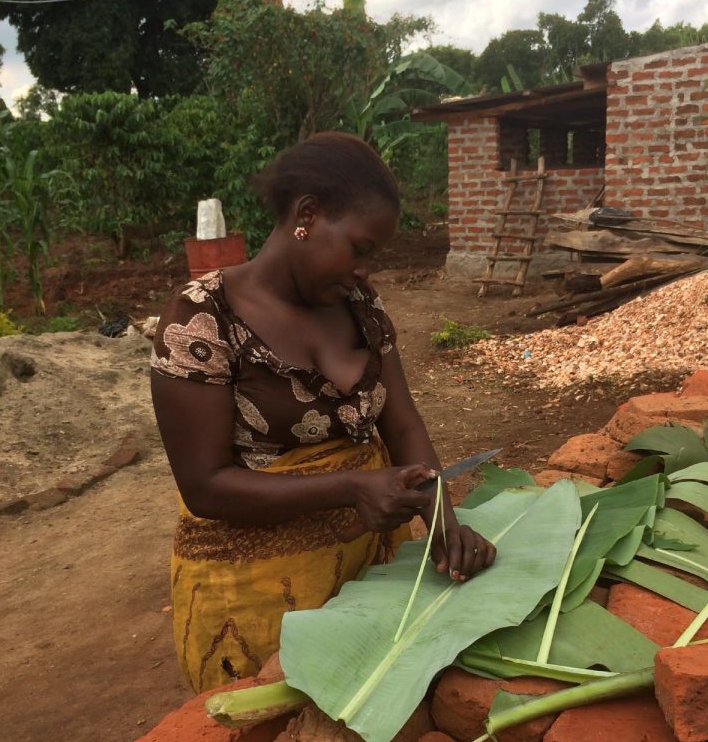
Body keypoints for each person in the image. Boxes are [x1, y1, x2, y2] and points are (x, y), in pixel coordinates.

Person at [150, 132, 497, 693]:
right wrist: (353, 487)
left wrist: (444, 525)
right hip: (257, 601)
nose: (364, 271)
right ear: (307, 215)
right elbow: (205, 486)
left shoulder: (360, 307)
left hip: (368, 575)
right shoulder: (202, 320)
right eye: (360, 249)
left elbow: (402, 423)